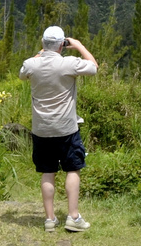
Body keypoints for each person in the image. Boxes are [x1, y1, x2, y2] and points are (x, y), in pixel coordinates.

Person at [18, 25, 98, 233]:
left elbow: (22, 74)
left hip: (41, 129)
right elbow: (93, 67)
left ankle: (50, 219)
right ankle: (73, 217)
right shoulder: (68, 64)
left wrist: (41, 53)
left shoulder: (31, 65)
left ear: (43, 43)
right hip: (66, 128)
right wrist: (79, 45)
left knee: (47, 172)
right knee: (73, 169)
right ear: (62, 44)